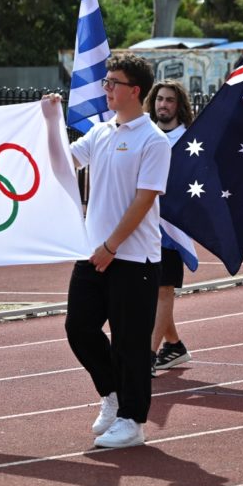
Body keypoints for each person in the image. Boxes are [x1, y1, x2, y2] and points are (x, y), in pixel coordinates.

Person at [63, 54, 171, 449]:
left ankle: (133, 420)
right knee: (79, 328)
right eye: (105, 82)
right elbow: (62, 160)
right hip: (92, 253)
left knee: (130, 342)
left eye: (113, 83)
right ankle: (111, 394)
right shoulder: (101, 132)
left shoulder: (153, 140)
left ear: (135, 91)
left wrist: (112, 246)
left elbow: (144, 201)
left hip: (133, 258)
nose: (106, 89)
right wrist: (44, 120)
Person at [145, 79, 194, 375]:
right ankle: (173, 345)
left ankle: (148, 355)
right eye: (160, 99)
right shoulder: (145, 134)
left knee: (163, 290)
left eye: (170, 100)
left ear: (179, 106)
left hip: (173, 229)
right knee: (151, 291)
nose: (163, 105)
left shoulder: (190, 140)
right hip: (142, 224)